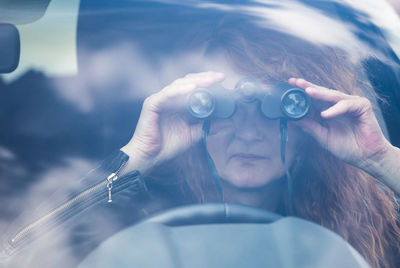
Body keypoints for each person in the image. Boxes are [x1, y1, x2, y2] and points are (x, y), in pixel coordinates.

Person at [3, 18, 400, 268]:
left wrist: (381, 160)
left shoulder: (369, 223)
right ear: (196, 111)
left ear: (305, 114)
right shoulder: (132, 215)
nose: (247, 131)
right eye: (222, 107)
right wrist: (136, 157)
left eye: (270, 108)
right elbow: (19, 254)